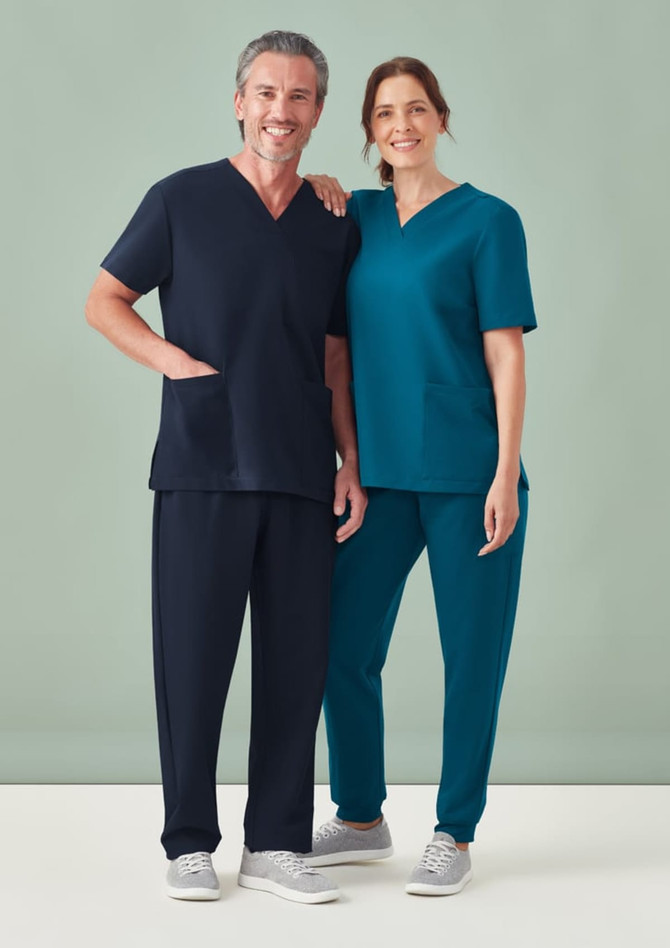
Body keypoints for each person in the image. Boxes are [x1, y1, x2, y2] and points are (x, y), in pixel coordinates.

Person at [84, 30, 365, 905]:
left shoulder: (333, 220)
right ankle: (188, 842)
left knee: (296, 660)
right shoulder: (181, 200)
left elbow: (334, 351)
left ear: (319, 112)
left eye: (301, 97)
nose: (282, 111)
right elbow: (105, 299)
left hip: (297, 464)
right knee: (193, 658)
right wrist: (177, 364)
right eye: (267, 93)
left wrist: (349, 459)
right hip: (203, 461)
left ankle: (278, 841)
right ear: (239, 101)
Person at [301, 57, 537, 895]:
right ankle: (361, 816)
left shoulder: (487, 220)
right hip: (380, 477)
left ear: (441, 117)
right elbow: (333, 341)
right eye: (384, 113)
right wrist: (350, 461)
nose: (401, 124)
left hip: (470, 475)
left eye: (417, 109)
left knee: (472, 657)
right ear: (368, 129)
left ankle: (455, 830)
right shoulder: (353, 217)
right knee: (337, 644)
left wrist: (504, 476)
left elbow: (505, 354)